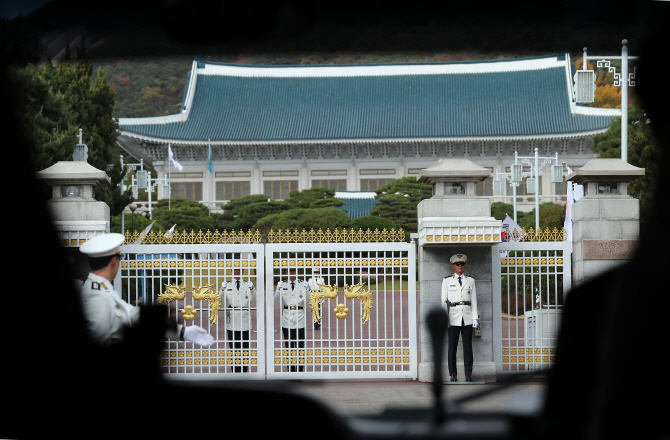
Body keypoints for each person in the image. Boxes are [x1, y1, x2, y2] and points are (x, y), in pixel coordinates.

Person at [79, 233, 214, 347]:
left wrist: (181, 331)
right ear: (114, 261)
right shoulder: (96, 295)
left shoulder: (102, 289)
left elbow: (134, 316)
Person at [441, 253, 478, 382]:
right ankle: (453, 374)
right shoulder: (447, 281)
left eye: (462, 264)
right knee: (452, 348)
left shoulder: (471, 281)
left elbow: (474, 301)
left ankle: (468, 374)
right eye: (458, 264)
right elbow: (443, 302)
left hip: (466, 316)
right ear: (453, 266)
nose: (460, 266)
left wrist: (474, 318)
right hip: (453, 317)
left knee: (468, 348)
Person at [275, 268, 311, 372]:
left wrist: (307, 290)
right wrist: (278, 289)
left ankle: (299, 372)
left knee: (300, 346)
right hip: (287, 317)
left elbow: (308, 301)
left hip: (299, 316)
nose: (292, 273)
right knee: (289, 346)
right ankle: (291, 372)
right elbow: (276, 300)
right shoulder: (283, 284)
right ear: (286, 272)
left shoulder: (302, 284)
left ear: (297, 272)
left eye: (293, 271)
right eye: (290, 271)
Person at [220, 267, 256, 372]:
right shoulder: (227, 284)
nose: (237, 272)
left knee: (244, 348)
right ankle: (235, 372)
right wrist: (222, 289)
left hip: (244, 318)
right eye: (235, 270)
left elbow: (254, 299)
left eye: (239, 270)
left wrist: (252, 288)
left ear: (243, 271)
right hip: (232, 319)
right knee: (233, 347)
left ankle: (244, 371)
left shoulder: (247, 284)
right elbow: (220, 300)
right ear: (231, 271)